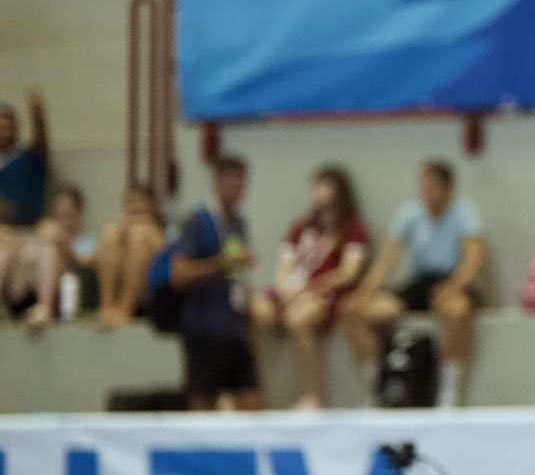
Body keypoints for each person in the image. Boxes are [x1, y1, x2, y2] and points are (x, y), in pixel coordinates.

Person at [342, 159, 485, 409]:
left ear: (448, 189)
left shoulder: (465, 213)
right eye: (424, 186)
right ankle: (378, 388)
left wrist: (453, 286)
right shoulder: (409, 213)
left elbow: (473, 261)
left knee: (457, 310)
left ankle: (448, 395)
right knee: (353, 312)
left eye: (434, 186)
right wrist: (365, 292)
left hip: (451, 281)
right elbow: (386, 260)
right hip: (419, 284)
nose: (427, 192)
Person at [249, 165, 369, 409]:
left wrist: (315, 286)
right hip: (294, 289)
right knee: (257, 308)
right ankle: (257, 390)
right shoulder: (301, 226)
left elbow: (349, 272)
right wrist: (284, 288)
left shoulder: (352, 228)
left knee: (299, 319)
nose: (317, 192)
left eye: (324, 186)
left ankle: (311, 395)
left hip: (323, 293)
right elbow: (285, 264)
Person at [169, 155, 262, 411]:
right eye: (231, 181)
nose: (237, 188)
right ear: (217, 183)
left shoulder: (239, 223)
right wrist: (224, 262)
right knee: (203, 403)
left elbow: (239, 278)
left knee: (253, 402)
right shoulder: (198, 221)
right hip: (204, 328)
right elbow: (180, 273)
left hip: (234, 326)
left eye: (241, 182)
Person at [0, 185, 94, 331]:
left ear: (79, 211)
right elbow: (28, 257)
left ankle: (45, 307)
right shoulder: (47, 231)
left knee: (48, 252)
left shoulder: (87, 241)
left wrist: (62, 244)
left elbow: (84, 266)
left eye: (67, 206)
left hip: (65, 295)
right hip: (26, 289)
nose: (62, 210)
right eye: (59, 206)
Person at [92, 185, 165, 329]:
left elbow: (163, 258)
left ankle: (125, 310)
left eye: (140, 202)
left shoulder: (155, 231)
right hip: (118, 286)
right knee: (111, 236)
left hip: (147, 293)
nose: (135, 205)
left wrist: (146, 231)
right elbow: (92, 259)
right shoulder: (118, 230)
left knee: (139, 240)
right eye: (130, 202)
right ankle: (107, 306)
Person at [0, 90, 49, 228]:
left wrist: (38, 118)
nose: (4, 128)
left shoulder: (28, 160)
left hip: (24, 230)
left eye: (8, 123)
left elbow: (41, 145)